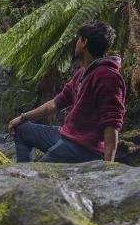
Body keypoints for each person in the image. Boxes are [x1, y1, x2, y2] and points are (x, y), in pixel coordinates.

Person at [8, 21, 126, 163]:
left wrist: (107, 168)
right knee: (22, 130)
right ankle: (23, 171)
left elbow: (112, 124)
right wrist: (22, 118)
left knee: (37, 176)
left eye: (78, 39)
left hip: (85, 148)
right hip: (67, 135)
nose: (76, 43)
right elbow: (55, 104)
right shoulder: (82, 73)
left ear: (84, 42)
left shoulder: (108, 76)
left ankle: (27, 179)